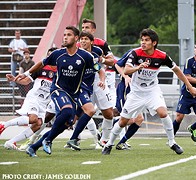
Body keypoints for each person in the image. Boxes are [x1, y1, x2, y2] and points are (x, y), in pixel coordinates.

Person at [102, 28, 196, 155]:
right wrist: (138, 67)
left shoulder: (162, 56)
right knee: (123, 121)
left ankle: (172, 142)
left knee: (163, 112)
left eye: (146, 40)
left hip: (152, 90)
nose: (143, 42)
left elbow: (177, 71)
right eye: (142, 40)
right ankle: (109, 144)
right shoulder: (135, 53)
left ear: (154, 43)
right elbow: (126, 71)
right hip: (136, 92)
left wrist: (189, 86)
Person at [15, 26, 98, 157]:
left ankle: (34, 147)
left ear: (76, 38)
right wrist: (26, 73)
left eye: (69, 35)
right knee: (66, 111)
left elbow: (97, 68)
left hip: (74, 94)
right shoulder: (58, 54)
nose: (65, 37)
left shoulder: (85, 56)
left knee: (66, 123)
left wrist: (100, 63)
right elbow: (41, 63)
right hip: (58, 89)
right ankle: (47, 140)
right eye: (64, 35)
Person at [0, 63, 56, 150]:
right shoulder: (41, 68)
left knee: (38, 124)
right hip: (34, 98)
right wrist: (15, 79)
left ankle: (10, 142)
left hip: (44, 103)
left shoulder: (60, 72)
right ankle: (4, 124)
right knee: (33, 119)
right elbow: (26, 81)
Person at [80, 18, 115, 146]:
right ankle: (77, 138)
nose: (84, 30)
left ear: (93, 30)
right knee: (81, 113)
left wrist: (102, 60)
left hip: (98, 81)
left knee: (109, 112)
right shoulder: (77, 45)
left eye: (87, 28)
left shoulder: (101, 45)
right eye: (82, 28)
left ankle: (104, 139)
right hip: (83, 83)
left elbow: (111, 61)